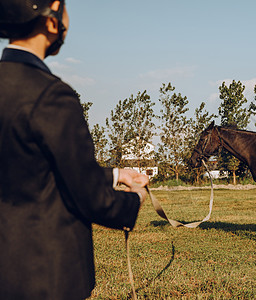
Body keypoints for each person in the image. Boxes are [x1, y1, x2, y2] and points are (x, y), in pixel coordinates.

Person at [0, 0, 149, 299]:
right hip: (46, 275)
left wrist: (116, 174)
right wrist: (135, 198)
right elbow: (90, 197)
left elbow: (36, 169)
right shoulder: (52, 95)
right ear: (52, 18)